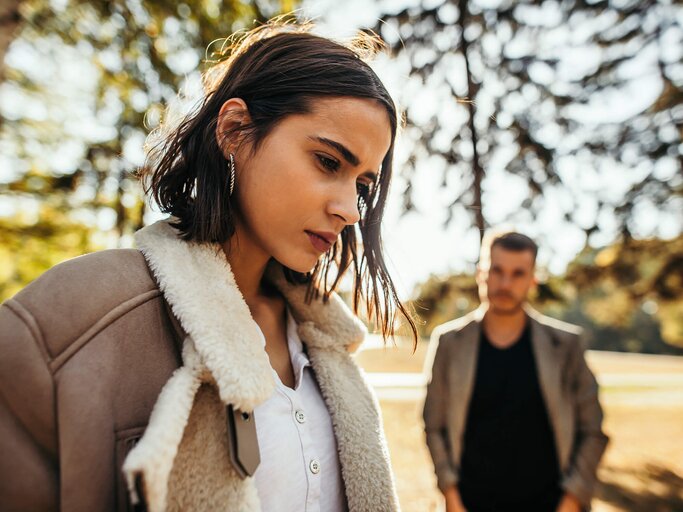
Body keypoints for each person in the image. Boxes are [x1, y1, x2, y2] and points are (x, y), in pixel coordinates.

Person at [0, 20, 416, 512]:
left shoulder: (326, 342)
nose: (349, 209)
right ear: (235, 130)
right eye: (328, 162)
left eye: (363, 186)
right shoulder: (76, 317)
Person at [423, 231, 608, 512]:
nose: (505, 283)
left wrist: (571, 501)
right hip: (470, 504)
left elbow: (592, 430)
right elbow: (434, 426)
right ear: (480, 274)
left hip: (549, 504)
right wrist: (451, 495)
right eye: (496, 270)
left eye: (518, 273)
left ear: (533, 279)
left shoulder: (566, 345)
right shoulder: (449, 342)